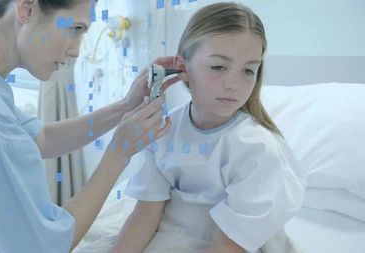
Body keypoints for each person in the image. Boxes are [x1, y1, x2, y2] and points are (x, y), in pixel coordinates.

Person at [0, 0, 181, 252]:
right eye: (75, 29)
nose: (76, 51)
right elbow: (47, 247)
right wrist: (119, 153)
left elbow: (42, 139)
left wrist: (124, 107)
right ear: (27, 8)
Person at [111, 3, 307, 253]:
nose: (234, 85)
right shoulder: (163, 131)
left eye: (248, 70)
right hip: (175, 231)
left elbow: (230, 244)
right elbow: (146, 214)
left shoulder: (258, 150)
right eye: (218, 67)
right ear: (183, 66)